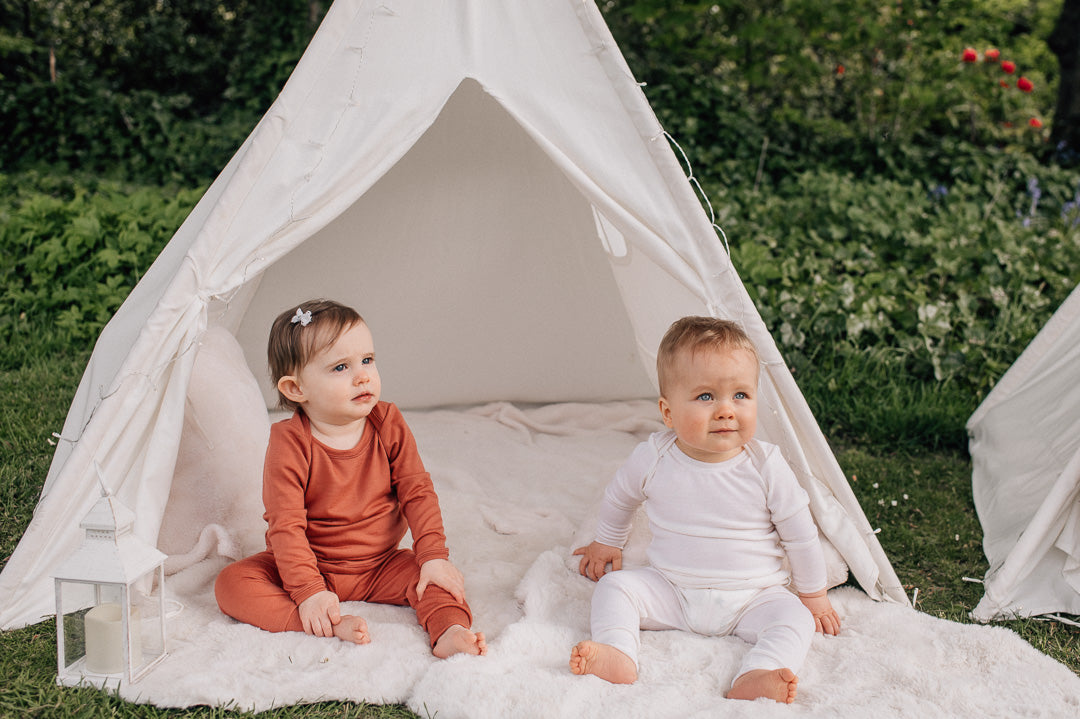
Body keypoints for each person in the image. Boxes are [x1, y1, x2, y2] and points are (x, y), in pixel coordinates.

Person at [569, 316, 839, 703]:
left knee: (794, 617)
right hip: (672, 588)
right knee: (615, 588)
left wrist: (813, 595)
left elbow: (800, 533)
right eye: (706, 397)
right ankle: (617, 651)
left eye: (741, 396)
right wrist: (607, 542)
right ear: (668, 412)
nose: (726, 410)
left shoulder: (766, 465)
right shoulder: (654, 458)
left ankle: (759, 672)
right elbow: (619, 497)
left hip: (753, 595)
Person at [215, 299, 486, 658]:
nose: (362, 376)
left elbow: (416, 491)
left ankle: (450, 631)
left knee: (437, 581)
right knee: (231, 584)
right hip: (312, 564)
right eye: (341, 367)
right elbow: (286, 525)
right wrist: (309, 590)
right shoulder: (289, 442)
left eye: (368, 360)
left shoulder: (387, 422)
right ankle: (316, 620)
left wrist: (433, 555)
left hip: (381, 563)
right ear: (296, 389)